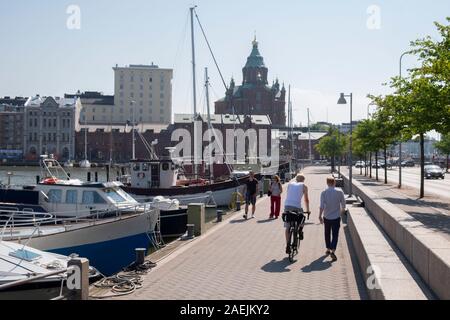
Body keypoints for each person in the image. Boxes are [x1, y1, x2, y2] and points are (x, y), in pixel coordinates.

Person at [319, 177, 346, 262]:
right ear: (334, 183)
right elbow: (343, 205)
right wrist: (341, 213)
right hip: (336, 217)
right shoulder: (339, 192)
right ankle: (333, 251)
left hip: (327, 216)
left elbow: (322, 206)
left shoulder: (324, 192)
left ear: (327, 183)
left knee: (327, 233)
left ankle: (328, 248)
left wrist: (319, 216)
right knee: (335, 234)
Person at [283, 174, 310, 254]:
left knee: (287, 226)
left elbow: (288, 195)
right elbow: (306, 200)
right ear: (303, 180)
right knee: (302, 218)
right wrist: (308, 210)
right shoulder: (304, 186)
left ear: (296, 179)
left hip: (287, 205)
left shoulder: (290, 184)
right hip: (297, 206)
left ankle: (288, 244)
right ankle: (300, 230)